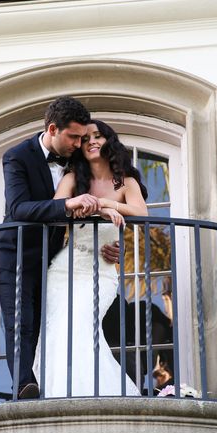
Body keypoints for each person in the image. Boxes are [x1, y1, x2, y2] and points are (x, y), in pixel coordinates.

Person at [0, 97, 119, 400]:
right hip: (16, 255)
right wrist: (67, 204)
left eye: (82, 137)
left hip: (56, 260)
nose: (79, 143)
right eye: (73, 136)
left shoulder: (76, 162)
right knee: (20, 323)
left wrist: (107, 243)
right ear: (52, 128)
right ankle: (24, 387)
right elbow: (19, 208)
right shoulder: (17, 156)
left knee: (49, 325)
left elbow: (96, 202)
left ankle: (54, 385)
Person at [33, 120, 148, 397]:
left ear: (110, 141)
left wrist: (105, 204)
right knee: (56, 331)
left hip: (102, 269)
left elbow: (141, 214)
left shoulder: (124, 182)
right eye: (85, 139)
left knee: (83, 326)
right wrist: (80, 205)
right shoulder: (73, 179)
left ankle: (92, 396)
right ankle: (55, 394)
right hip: (64, 269)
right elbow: (55, 209)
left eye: (98, 136)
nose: (92, 142)